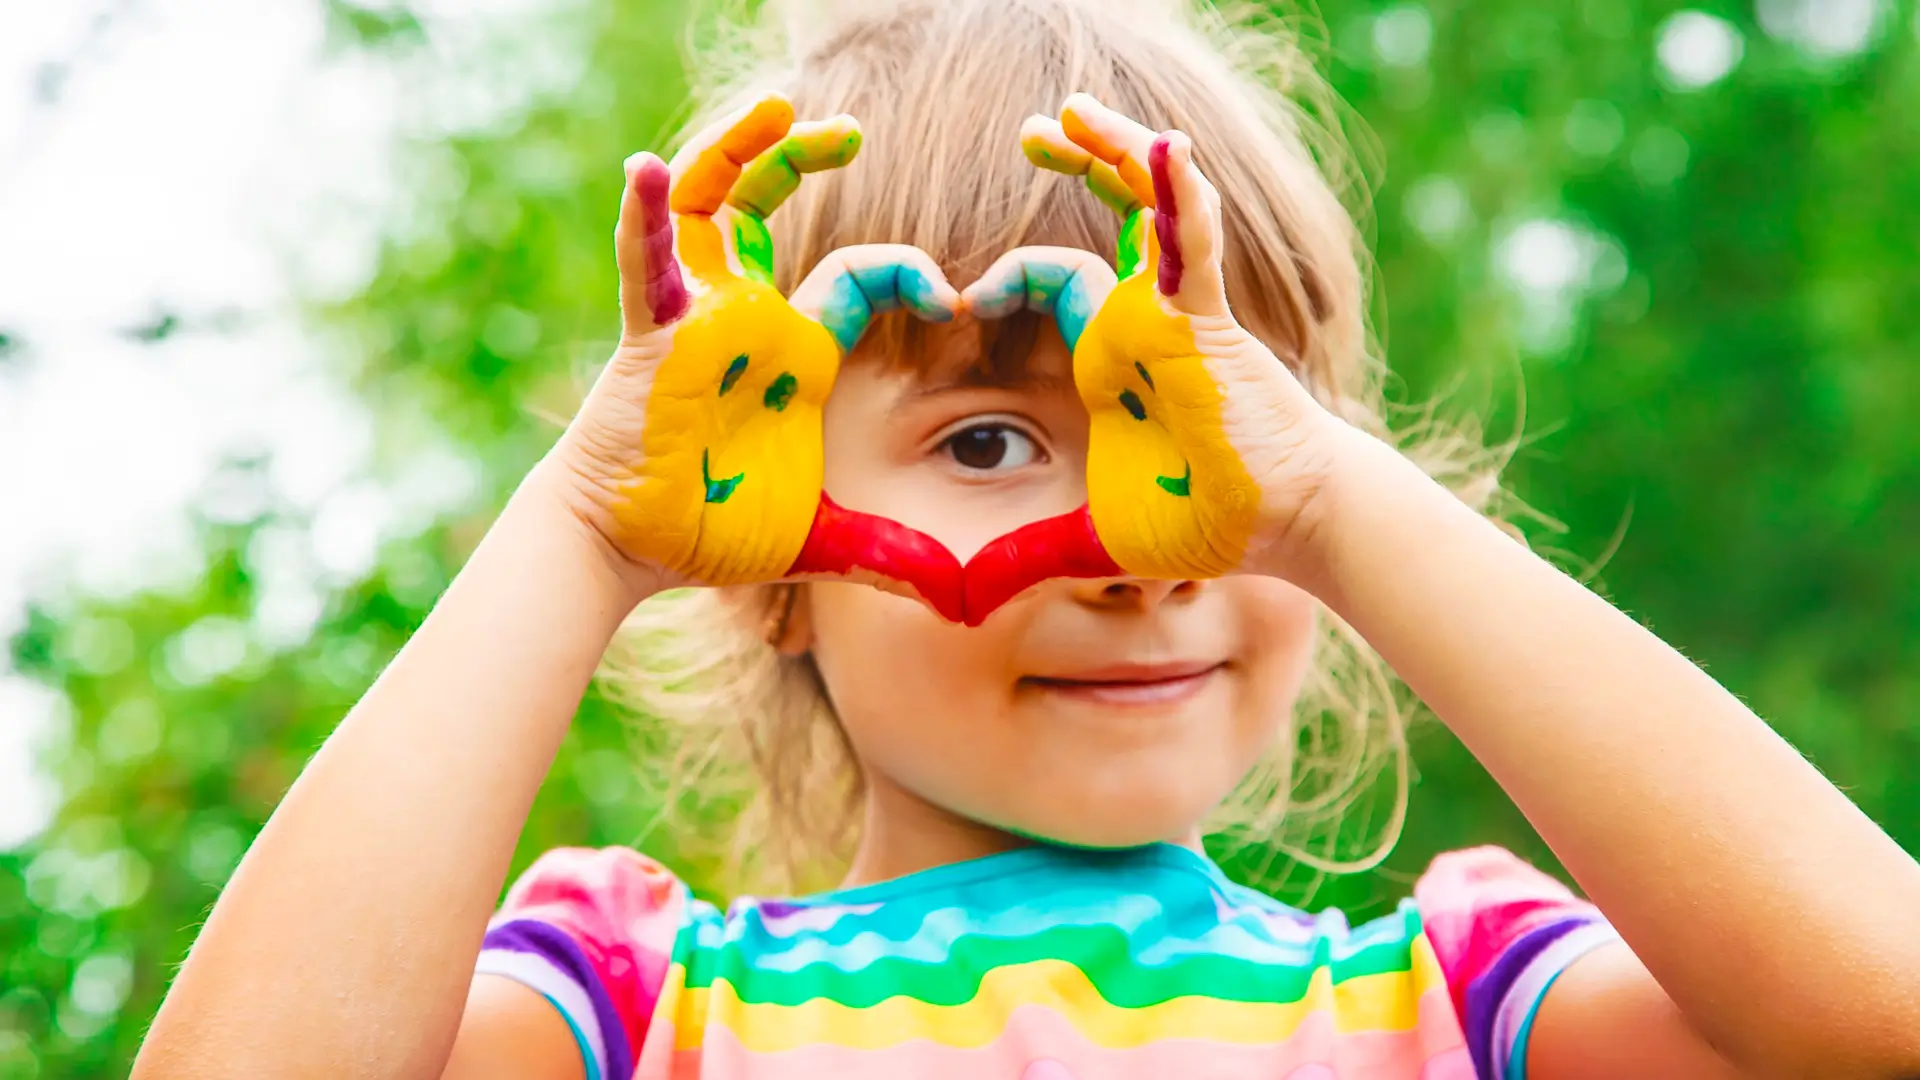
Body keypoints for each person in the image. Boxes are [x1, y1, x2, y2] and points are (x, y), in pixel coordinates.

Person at [132, 1, 1920, 1078]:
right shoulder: (633, 1013)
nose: (1139, 550)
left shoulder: (1462, 1004)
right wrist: (588, 534)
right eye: (990, 437)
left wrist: (1332, 503)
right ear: (764, 570)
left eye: (1216, 429)